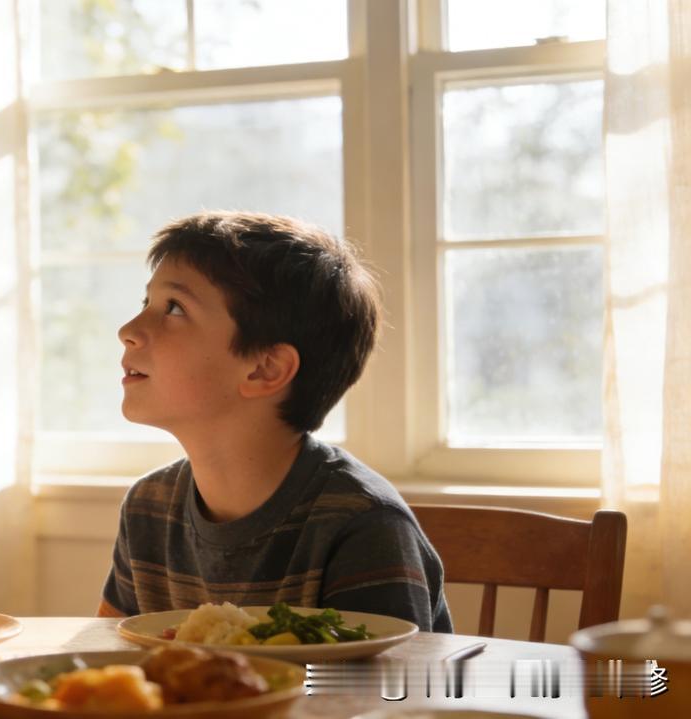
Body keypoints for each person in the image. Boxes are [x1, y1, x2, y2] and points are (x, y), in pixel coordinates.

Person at [98, 212, 451, 632]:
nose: (128, 330)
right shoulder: (148, 508)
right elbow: (105, 655)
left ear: (265, 369)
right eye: (146, 304)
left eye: (174, 308)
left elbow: (386, 675)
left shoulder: (362, 525)